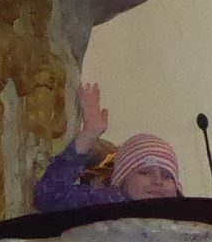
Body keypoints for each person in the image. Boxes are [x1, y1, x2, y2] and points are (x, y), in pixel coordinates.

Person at [35, 80, 184, 210]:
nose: (158, 181)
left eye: (167, 176)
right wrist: (88, 135)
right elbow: (49, 196)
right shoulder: (109, 202)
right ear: (122, 181)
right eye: (145, 172)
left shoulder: (185, 216)